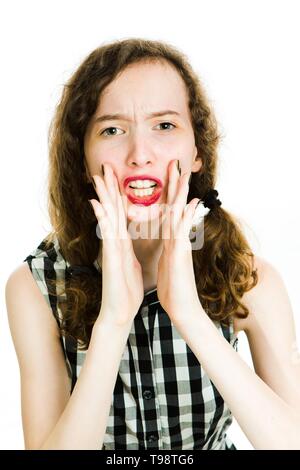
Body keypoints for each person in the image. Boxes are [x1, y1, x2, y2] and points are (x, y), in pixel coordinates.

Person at [5, 37, 300, 450]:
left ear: (196, 150)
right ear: (84, 158)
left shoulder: (250, 278)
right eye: (112, 130)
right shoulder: (35, 287)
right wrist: (112, 323)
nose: (139, 154)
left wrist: (190, 316)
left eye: (164, 125)